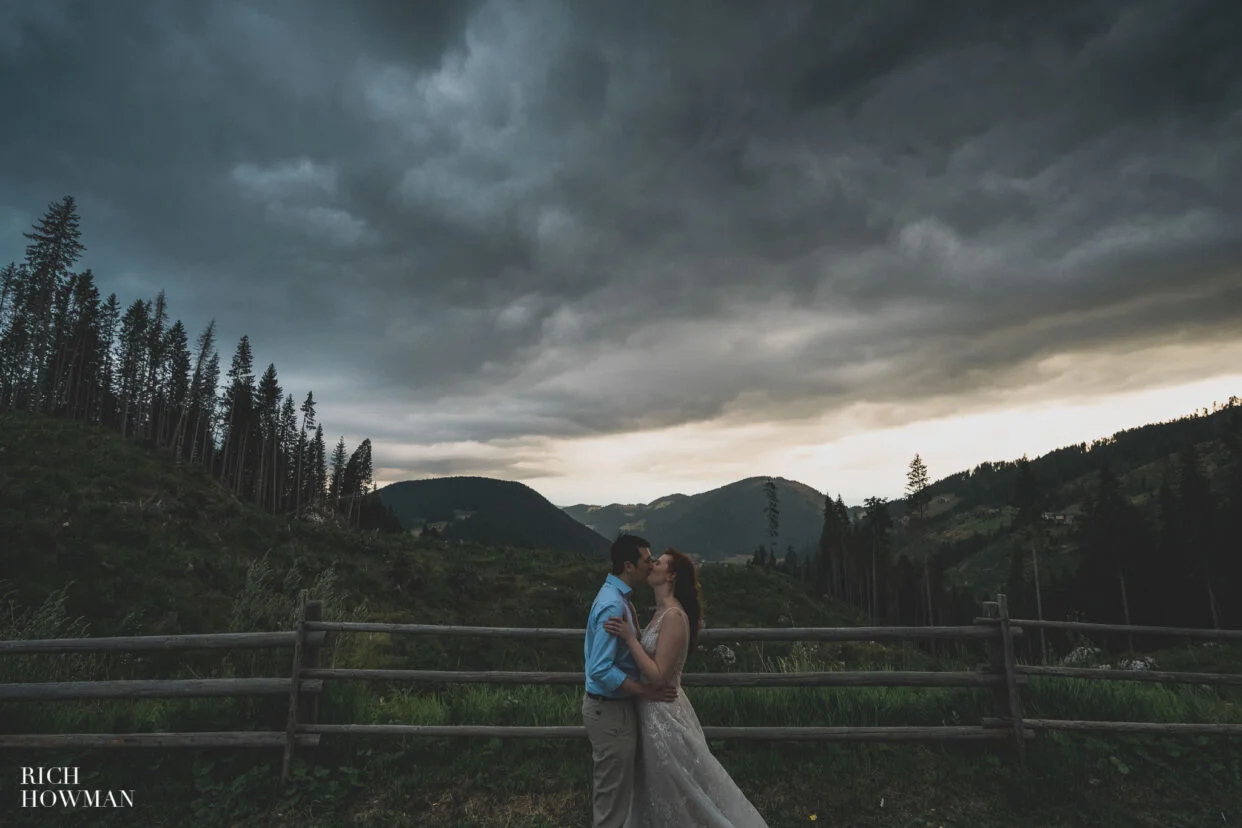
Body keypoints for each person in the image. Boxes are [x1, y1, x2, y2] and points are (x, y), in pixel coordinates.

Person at [603, 548, 769, 827]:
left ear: (671, 576)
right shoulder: (660, 612)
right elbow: (654, 653)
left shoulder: (675, 617)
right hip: (650, 710)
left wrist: (631, 639)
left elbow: (658, 675)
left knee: (678, 787)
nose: (652, 565)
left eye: (659, 563)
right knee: (656, 787)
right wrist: (636, 626)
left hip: (663, 714)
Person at [584, 534, 679, 828]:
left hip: (612, 711)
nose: (650, 565)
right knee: (612, 805)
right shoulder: (614, 605)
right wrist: (643, 691)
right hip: (610, 712)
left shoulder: (618, 597)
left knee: (618, 798)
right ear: (628, 565)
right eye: (646, 560)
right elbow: (599, 668)